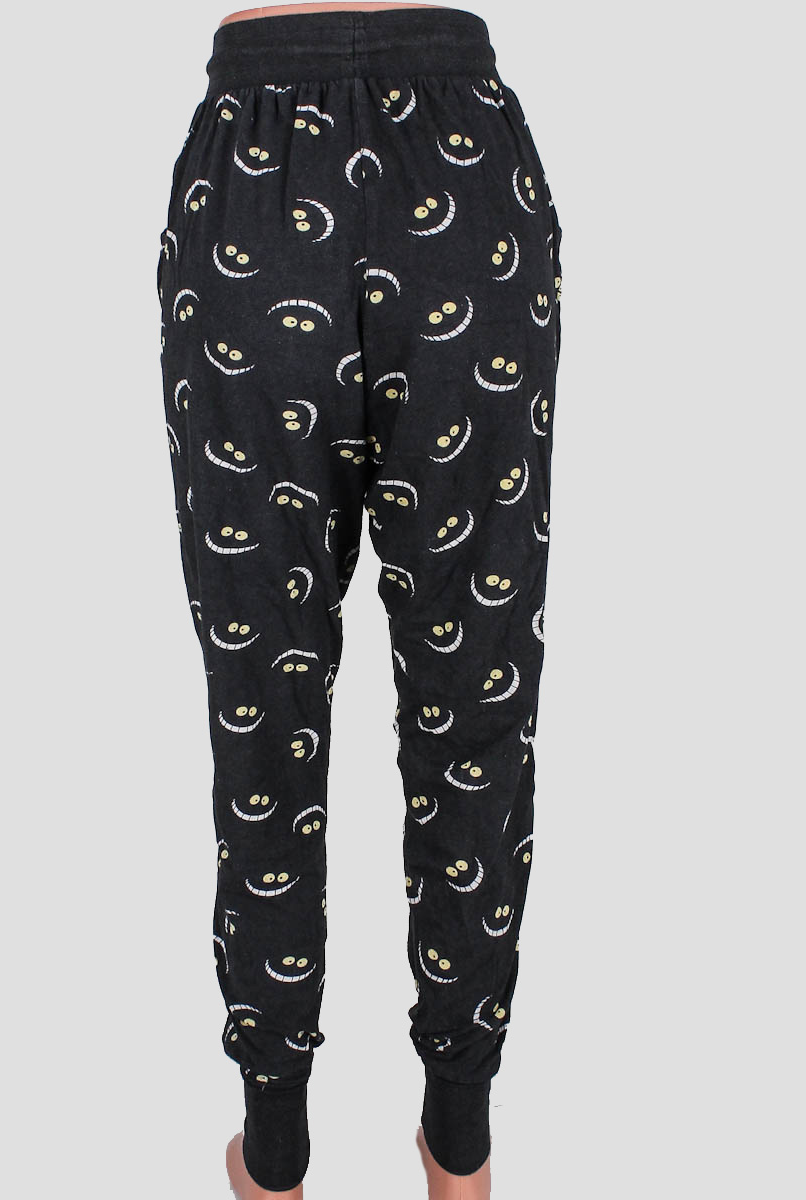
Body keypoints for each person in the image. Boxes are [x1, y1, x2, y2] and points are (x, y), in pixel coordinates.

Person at [155, 4, 563, 1196]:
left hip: (250, 182)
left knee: (262, 704)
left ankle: (274, 1149)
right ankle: (460, 1147)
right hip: (466, 194)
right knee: (476, 704)